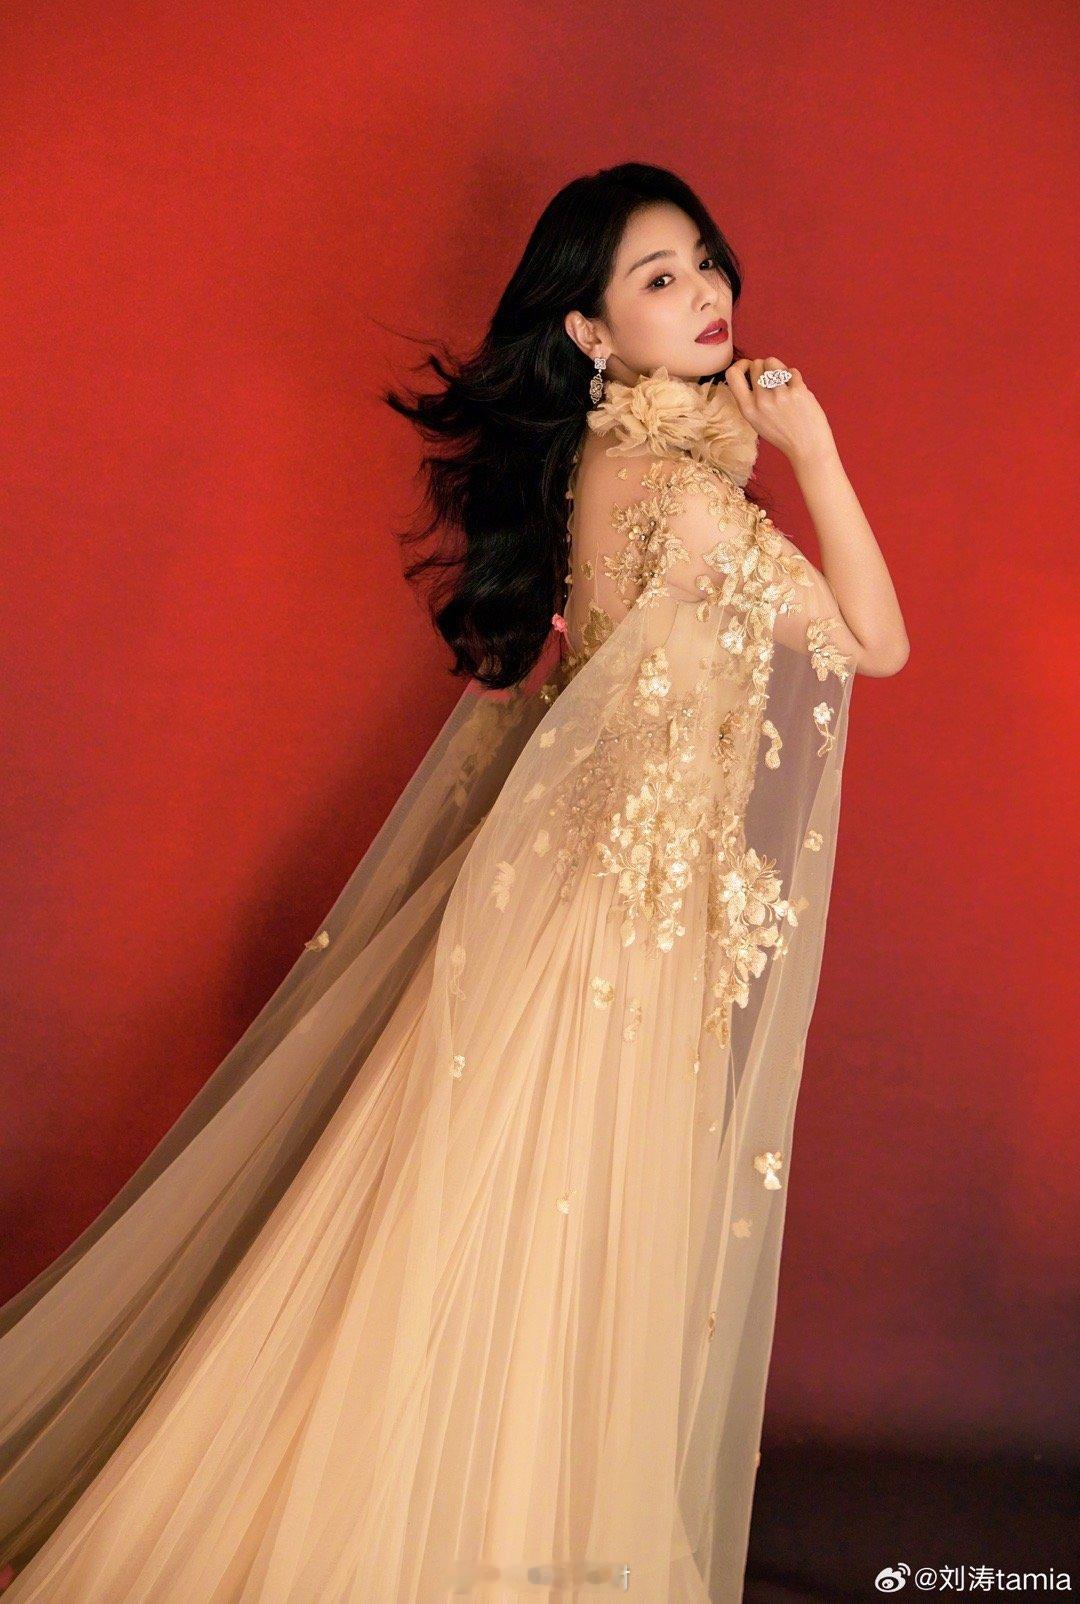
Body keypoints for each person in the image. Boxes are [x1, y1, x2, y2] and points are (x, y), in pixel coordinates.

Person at [0, 161, 908, 1602]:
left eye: (705, 261)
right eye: (658, 277)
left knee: (502, 1233)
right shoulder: (681, 496)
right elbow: (877, 640)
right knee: (541, 1236)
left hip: (592, 902)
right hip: (609, 924)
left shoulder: (610, 468)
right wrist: (822, 452)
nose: (706, 292)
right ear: (590, 333)